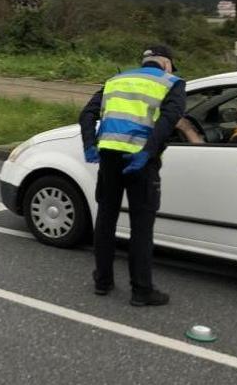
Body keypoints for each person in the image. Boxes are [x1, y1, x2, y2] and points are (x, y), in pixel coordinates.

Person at [79, 45, 185, 307]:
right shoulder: (172, 83)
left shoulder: (116, 80)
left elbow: (87, 114)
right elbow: (167, 122)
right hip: (141, 163)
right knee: (141, 226)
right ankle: (142, 291)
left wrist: (90, 145)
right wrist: (147, 152)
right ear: (166, 63)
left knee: (105, 219)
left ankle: (102, 282)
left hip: (109, 158)